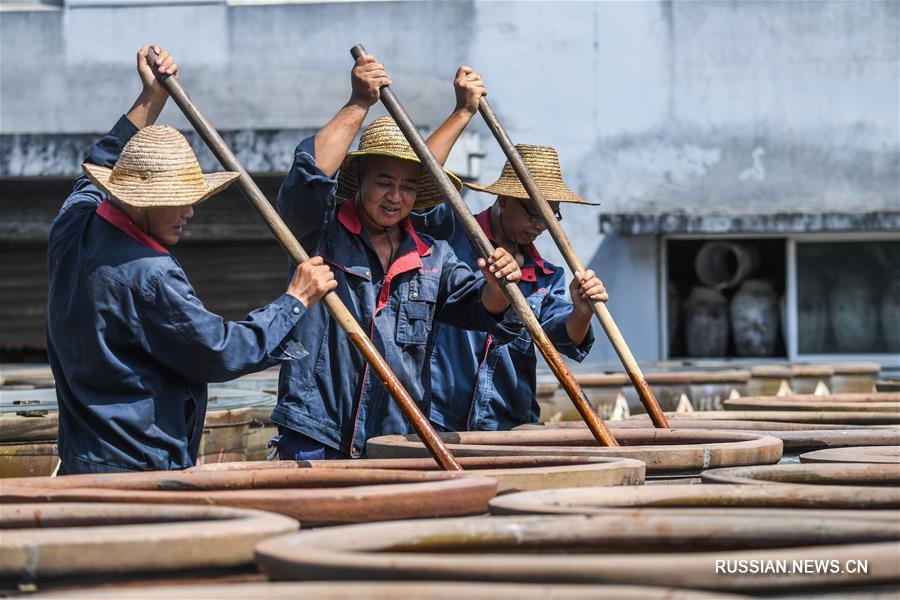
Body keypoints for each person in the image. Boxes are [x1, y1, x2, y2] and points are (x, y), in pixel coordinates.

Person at [46, 45, 336, 475]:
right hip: (140, 465)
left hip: (84, 454)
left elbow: (102, 160)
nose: (190, 212)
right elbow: (219, 352)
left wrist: (152, 98)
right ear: (141, 201)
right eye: (178, 201)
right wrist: (293, 301)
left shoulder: (74, 222)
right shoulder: (150, 273)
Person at [273, 53, 523, 460]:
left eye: (408, 187)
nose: (395, 197)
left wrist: (498, 288)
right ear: (359, 183)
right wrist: (358, 103)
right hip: (316, 434)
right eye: (384, 182)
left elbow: (480, 309)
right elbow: (308, 179)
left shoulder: (433, 256)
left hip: (398, 438)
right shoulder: (319, 236)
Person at [413, 66, 608, 431]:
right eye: (534, 213)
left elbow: (564, 339)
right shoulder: (451, 234)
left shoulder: (548, 276)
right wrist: (462, 113)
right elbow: (420, 183)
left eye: (552, 217)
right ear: (503, 199)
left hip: (507, 426)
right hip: (435, 421)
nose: (540, 225)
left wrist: (582, 313)